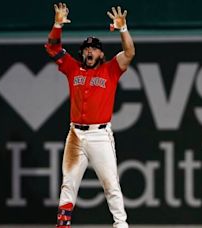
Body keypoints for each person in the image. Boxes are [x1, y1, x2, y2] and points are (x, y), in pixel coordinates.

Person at [44, 2, 135, 228]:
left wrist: (123, 29)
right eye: (86, 48)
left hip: (100, 135)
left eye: (94, 48)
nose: (89, 51)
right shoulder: (73, 68)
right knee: (68, 183)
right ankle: (62, 226)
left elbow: (130, 53)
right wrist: (57, 24)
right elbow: (53, 47)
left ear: (101, 53)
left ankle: (121, 225)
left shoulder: (110, 70)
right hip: (75, 134)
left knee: (111, 185)